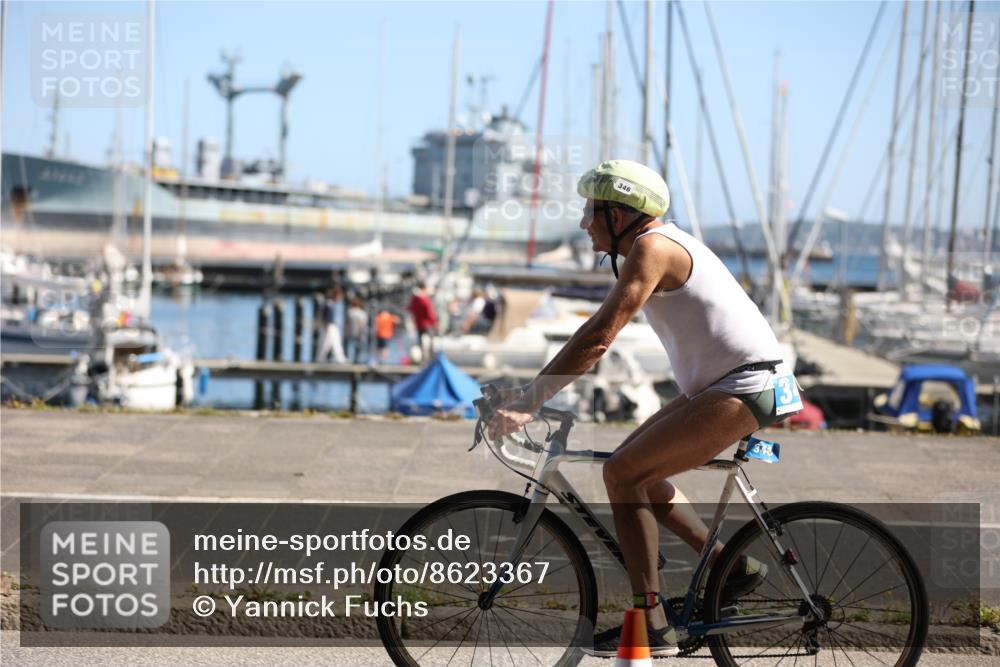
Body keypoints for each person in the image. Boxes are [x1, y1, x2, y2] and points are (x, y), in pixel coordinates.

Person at [488, 160, 800, 657]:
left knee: (622, 475)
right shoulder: (650, 244)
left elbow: (598, 337)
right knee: (643, 474)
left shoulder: (652, 247)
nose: (584, 221)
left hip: (746, 385)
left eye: (591, 210)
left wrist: (530, 402)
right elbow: (595, 331)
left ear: (620, 214)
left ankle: (651, 623)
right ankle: (730, 568)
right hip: (722, 385)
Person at [407, 282, 437, 363]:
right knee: (430, 341)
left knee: (420, 341)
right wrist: (433, 321)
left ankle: (422, 359)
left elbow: (410, 309)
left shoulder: (415, 299)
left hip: (419, 323)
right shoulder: (425, 298)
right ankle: (432, 359)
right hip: (427, 323)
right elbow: (429, 311)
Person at [316, 286, 346, 363]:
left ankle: (340, 359)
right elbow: (327, 318)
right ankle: (320, 359)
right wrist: (327, 328)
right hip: (329, 326)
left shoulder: (330, 304)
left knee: (335, 344)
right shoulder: (329, 304)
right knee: (325, 344)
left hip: (330, 326)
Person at [345, 296, 369, 363]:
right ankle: (358, 361)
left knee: (351, 347)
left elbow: (347, 323)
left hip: (351, 332)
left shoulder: (349, 312)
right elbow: (363, 324)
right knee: (360, 348)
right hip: (360, 333)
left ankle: (350, 360)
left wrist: (346, 332)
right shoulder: (362, 313)